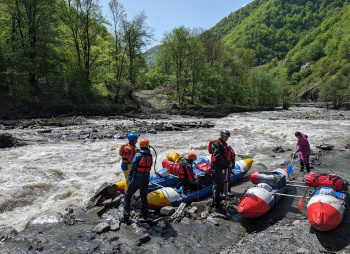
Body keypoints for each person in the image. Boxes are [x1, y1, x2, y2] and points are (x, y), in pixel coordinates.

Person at [122, 138, 153, 224]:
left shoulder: (138, 155)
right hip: (146, 177)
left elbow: (132, 168)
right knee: (143, 196)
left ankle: (126, 216)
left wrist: (128, 178)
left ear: (140, 145)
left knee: (127, 195)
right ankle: (145, 215)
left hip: (138, 178)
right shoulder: (150, 155)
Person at [208, 130, 235, 213]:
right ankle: (216, 205)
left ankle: (217, 202)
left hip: (220, 167)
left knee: (220, 184)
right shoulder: (216, 144)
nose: (226, 138)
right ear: (221, 135)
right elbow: (218, 157)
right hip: (216, 167)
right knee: (217, 185)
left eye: (227, 137)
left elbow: (224, 155)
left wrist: (226, 165)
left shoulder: (223, 144)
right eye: (225, 136)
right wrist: (228, 163)